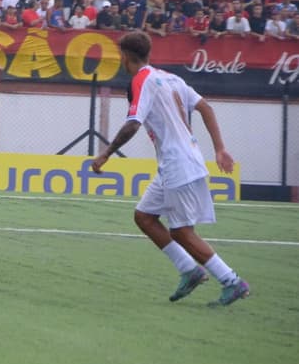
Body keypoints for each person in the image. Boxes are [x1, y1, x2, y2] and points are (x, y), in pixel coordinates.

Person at [91, 31, 250, 307]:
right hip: (177, 162)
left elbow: (133, 123)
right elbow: (206, 108)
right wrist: (220, 148)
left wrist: (105, 153)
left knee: (181, 232)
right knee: (144, 217)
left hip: (179, 164)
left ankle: (232, 281)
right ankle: (189, 271)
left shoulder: (142, 79)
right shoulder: (172, 78)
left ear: (125, 56)